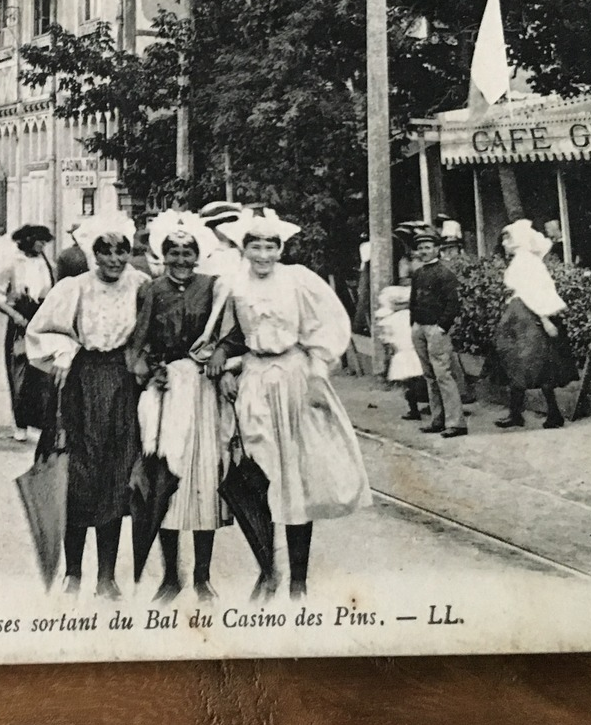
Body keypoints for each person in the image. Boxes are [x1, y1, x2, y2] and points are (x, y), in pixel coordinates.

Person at [199, 209, 370, 601]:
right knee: (250, 478)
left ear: (280, 248)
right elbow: (225, 336)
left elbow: (321, 329)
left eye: (270, 246)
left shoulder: (298, 281)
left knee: (295, 482)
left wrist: (316, 373)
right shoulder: (232, 284)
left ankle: (298, 581)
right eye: (255, 245)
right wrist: (227, 367)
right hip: (255, 381)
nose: (262, 254)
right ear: (243, 248)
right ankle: (267, 568)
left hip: (293, 379)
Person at [26, 212, 149, 600]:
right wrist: (64, 352)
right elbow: (41, 331)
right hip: (80, 384)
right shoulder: (74, 287)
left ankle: (107, 577)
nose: (113, 259)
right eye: (104, 251)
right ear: (92, 253)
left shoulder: (142, 286)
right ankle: (74, 573)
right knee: (76, 476)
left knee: (115, 477)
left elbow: (154, 334)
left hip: (124, 386)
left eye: (121, 251)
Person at [128, 211, 227, 603]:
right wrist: (150, 370)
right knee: (164, 481)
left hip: (203, 387)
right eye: (175, 253)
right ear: (163, 255)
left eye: (189, 253)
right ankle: (171, 576)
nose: (182, 260)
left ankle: (202, 577)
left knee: (204, 481)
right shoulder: (151, 290)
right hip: (168, 388)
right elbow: (139, 340)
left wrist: (220, 352)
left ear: (198, 256)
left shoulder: (213, 288)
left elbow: (229, 333)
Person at [493, 220, 576, 431]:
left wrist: (545, 319)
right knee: (520, 363)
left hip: (529, 318)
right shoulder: (523, 260)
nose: (504, 243)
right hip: (520, 316)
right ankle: (517, 413)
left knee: (535, 364)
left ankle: (551, 414)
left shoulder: (526, 262)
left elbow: (537, 293)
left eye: (507, 238)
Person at [0, 224, 56, 442]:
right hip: (21, 321)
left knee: (43, 374)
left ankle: (39, 422)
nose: (43, 246)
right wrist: (17, 317)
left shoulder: (47, 264)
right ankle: (20, 422)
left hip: (43, 320)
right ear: (28, 240)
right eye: (40, 241)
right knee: (19, 372)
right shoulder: (12, 263)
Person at [410, 230, 467, 438]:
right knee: (429, 376)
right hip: (420, 328)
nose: (424, 251)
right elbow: (413, 300)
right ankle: (438, 419)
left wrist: (442, 326)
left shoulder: (445, 274)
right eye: (421, 248)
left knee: (443, 374)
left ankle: (456, 422)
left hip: (436, 329)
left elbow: (453, 304)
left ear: (436, 249)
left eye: (428, 247)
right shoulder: (418, 274)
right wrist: (413, 325)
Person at [375, 285, 427, 421]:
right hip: (416, 351)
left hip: (403, 353)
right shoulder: (412, 315)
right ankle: (428, 405)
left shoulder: (391, 320)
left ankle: (413, 409)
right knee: (422, 379)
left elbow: (387, 339)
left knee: (408, 384)